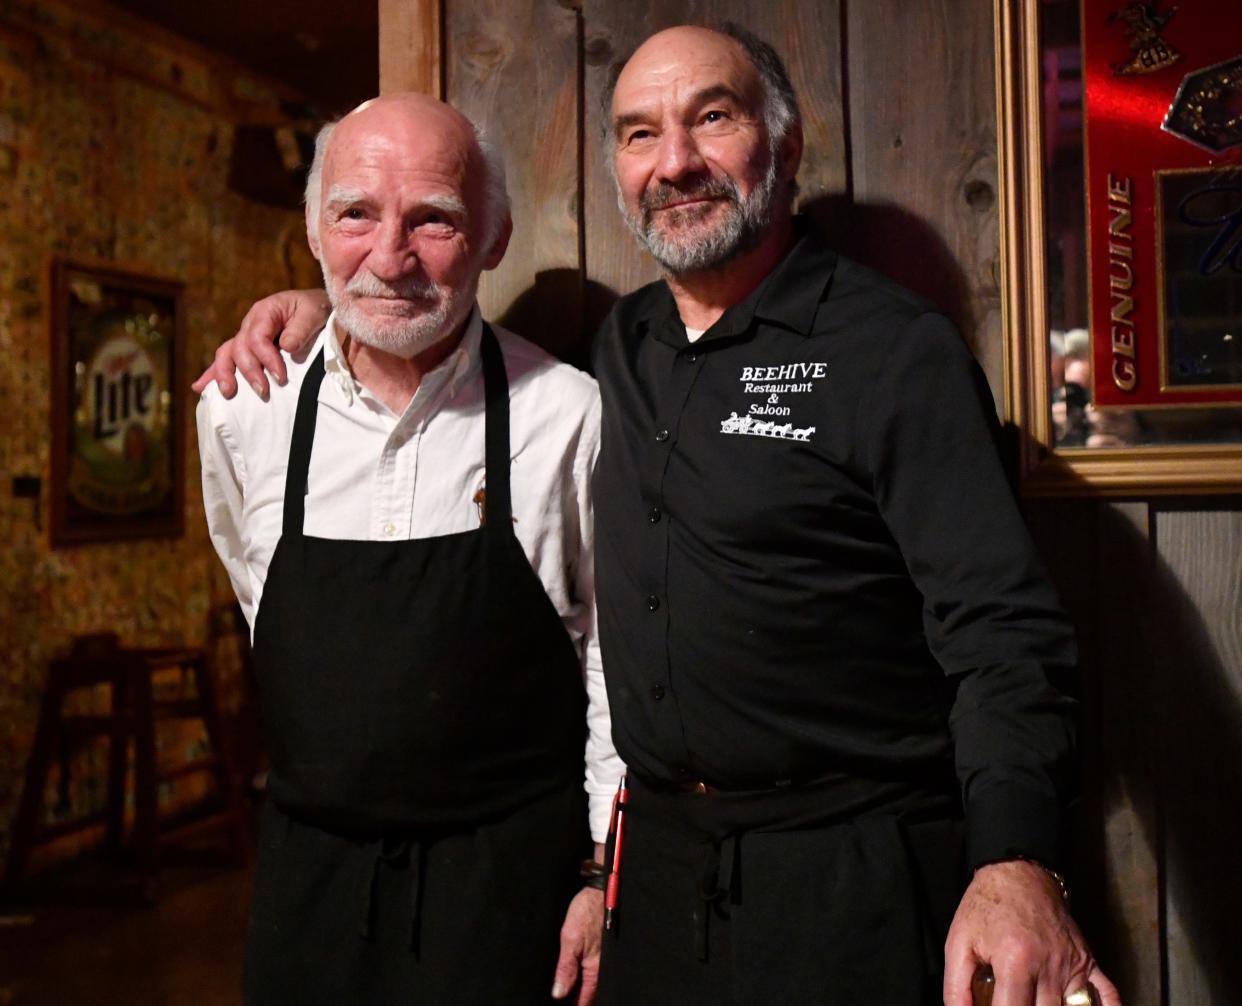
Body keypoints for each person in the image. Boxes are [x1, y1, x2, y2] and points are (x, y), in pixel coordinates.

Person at [197, 24, 1121, 1006]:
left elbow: (1003, 625)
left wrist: (1017, 858)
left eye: (711, 118)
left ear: (787, 145)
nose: (674, 161)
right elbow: (402, 315)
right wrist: (324, 304)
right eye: (640, 133)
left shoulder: (886, 353)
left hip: (848, 868)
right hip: (661, 883)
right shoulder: (617, 348)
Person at [195, 92, 620, 1005]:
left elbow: (608, 671)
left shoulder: (565, 412)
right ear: (314, 228)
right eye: (355, 214)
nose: (389, 258)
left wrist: (600, 875)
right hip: (309, 895)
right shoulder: (241, 412)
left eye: (433, 219)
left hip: (515, 896)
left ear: (494, 238)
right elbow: (255, 588)